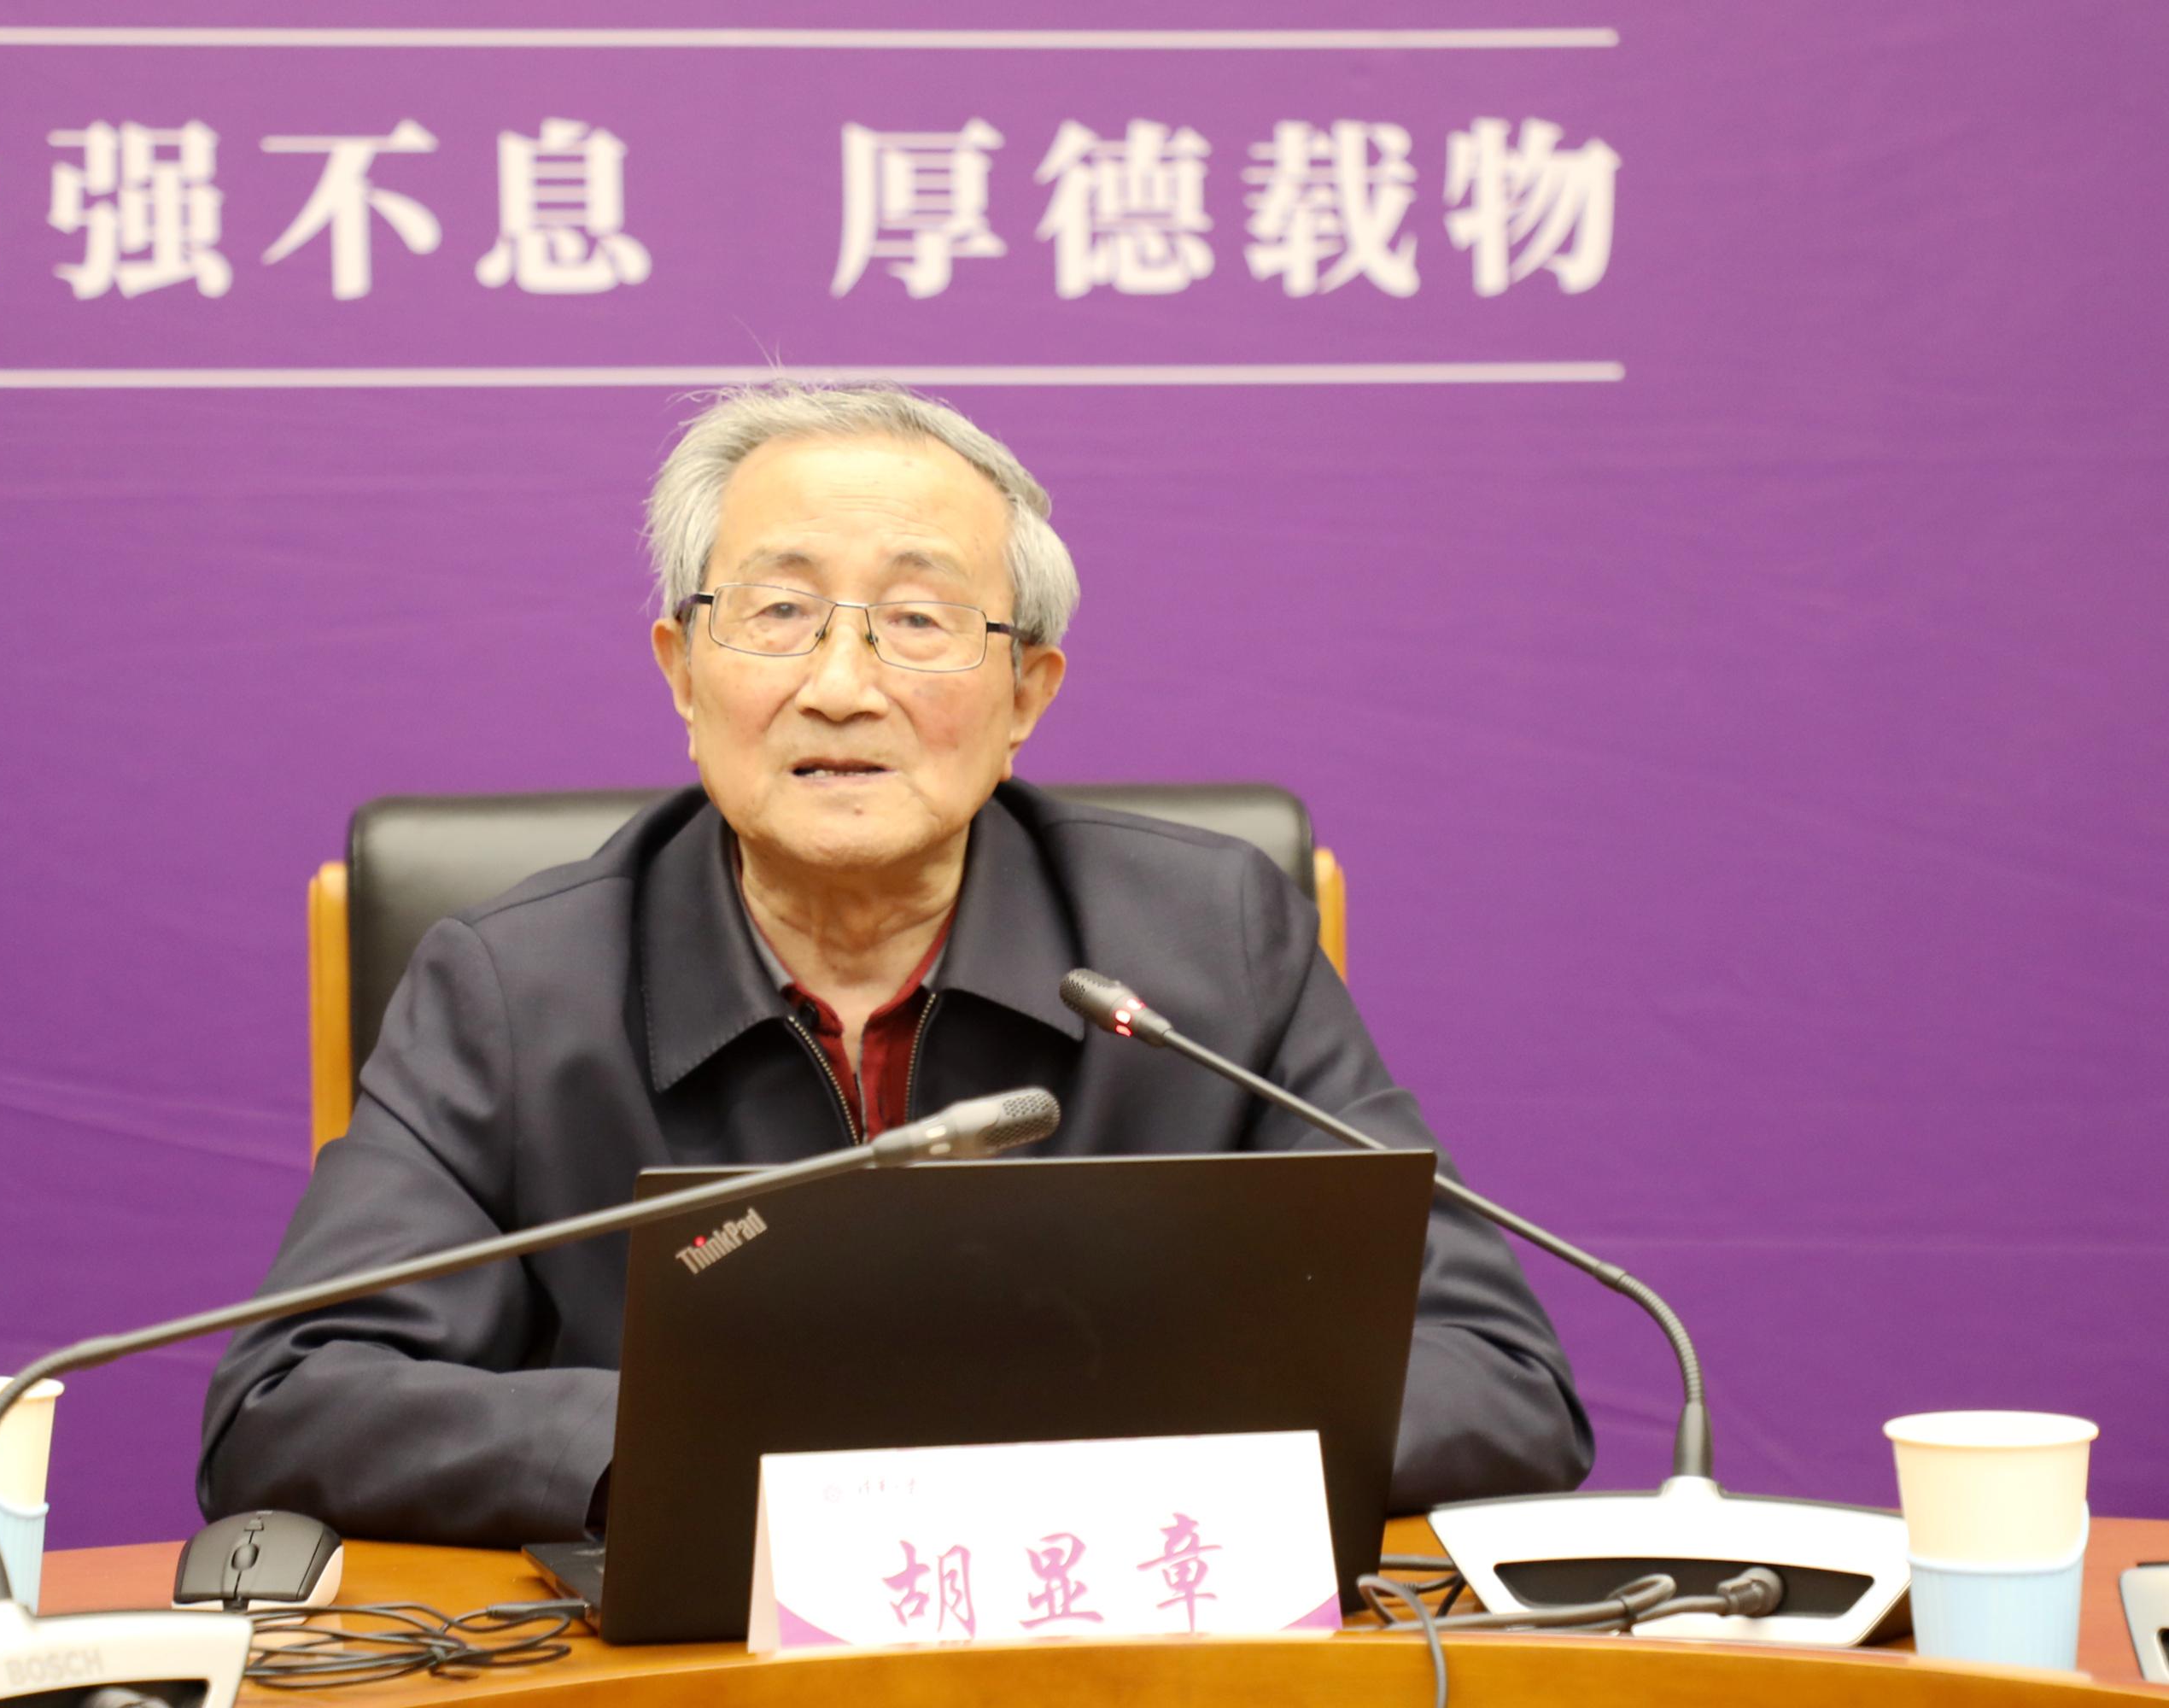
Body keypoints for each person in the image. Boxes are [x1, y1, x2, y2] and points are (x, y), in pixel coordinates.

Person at [199, 380, 1593, 1545]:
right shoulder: (515, 990)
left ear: (1025, 694)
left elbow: (1499, 1382)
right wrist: (709, 1443)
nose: (841, 686)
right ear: (683, 671)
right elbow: (289, 1405)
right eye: (778, 614)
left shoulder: (1207, 952)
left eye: (920, 622)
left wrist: (1066, 1443)